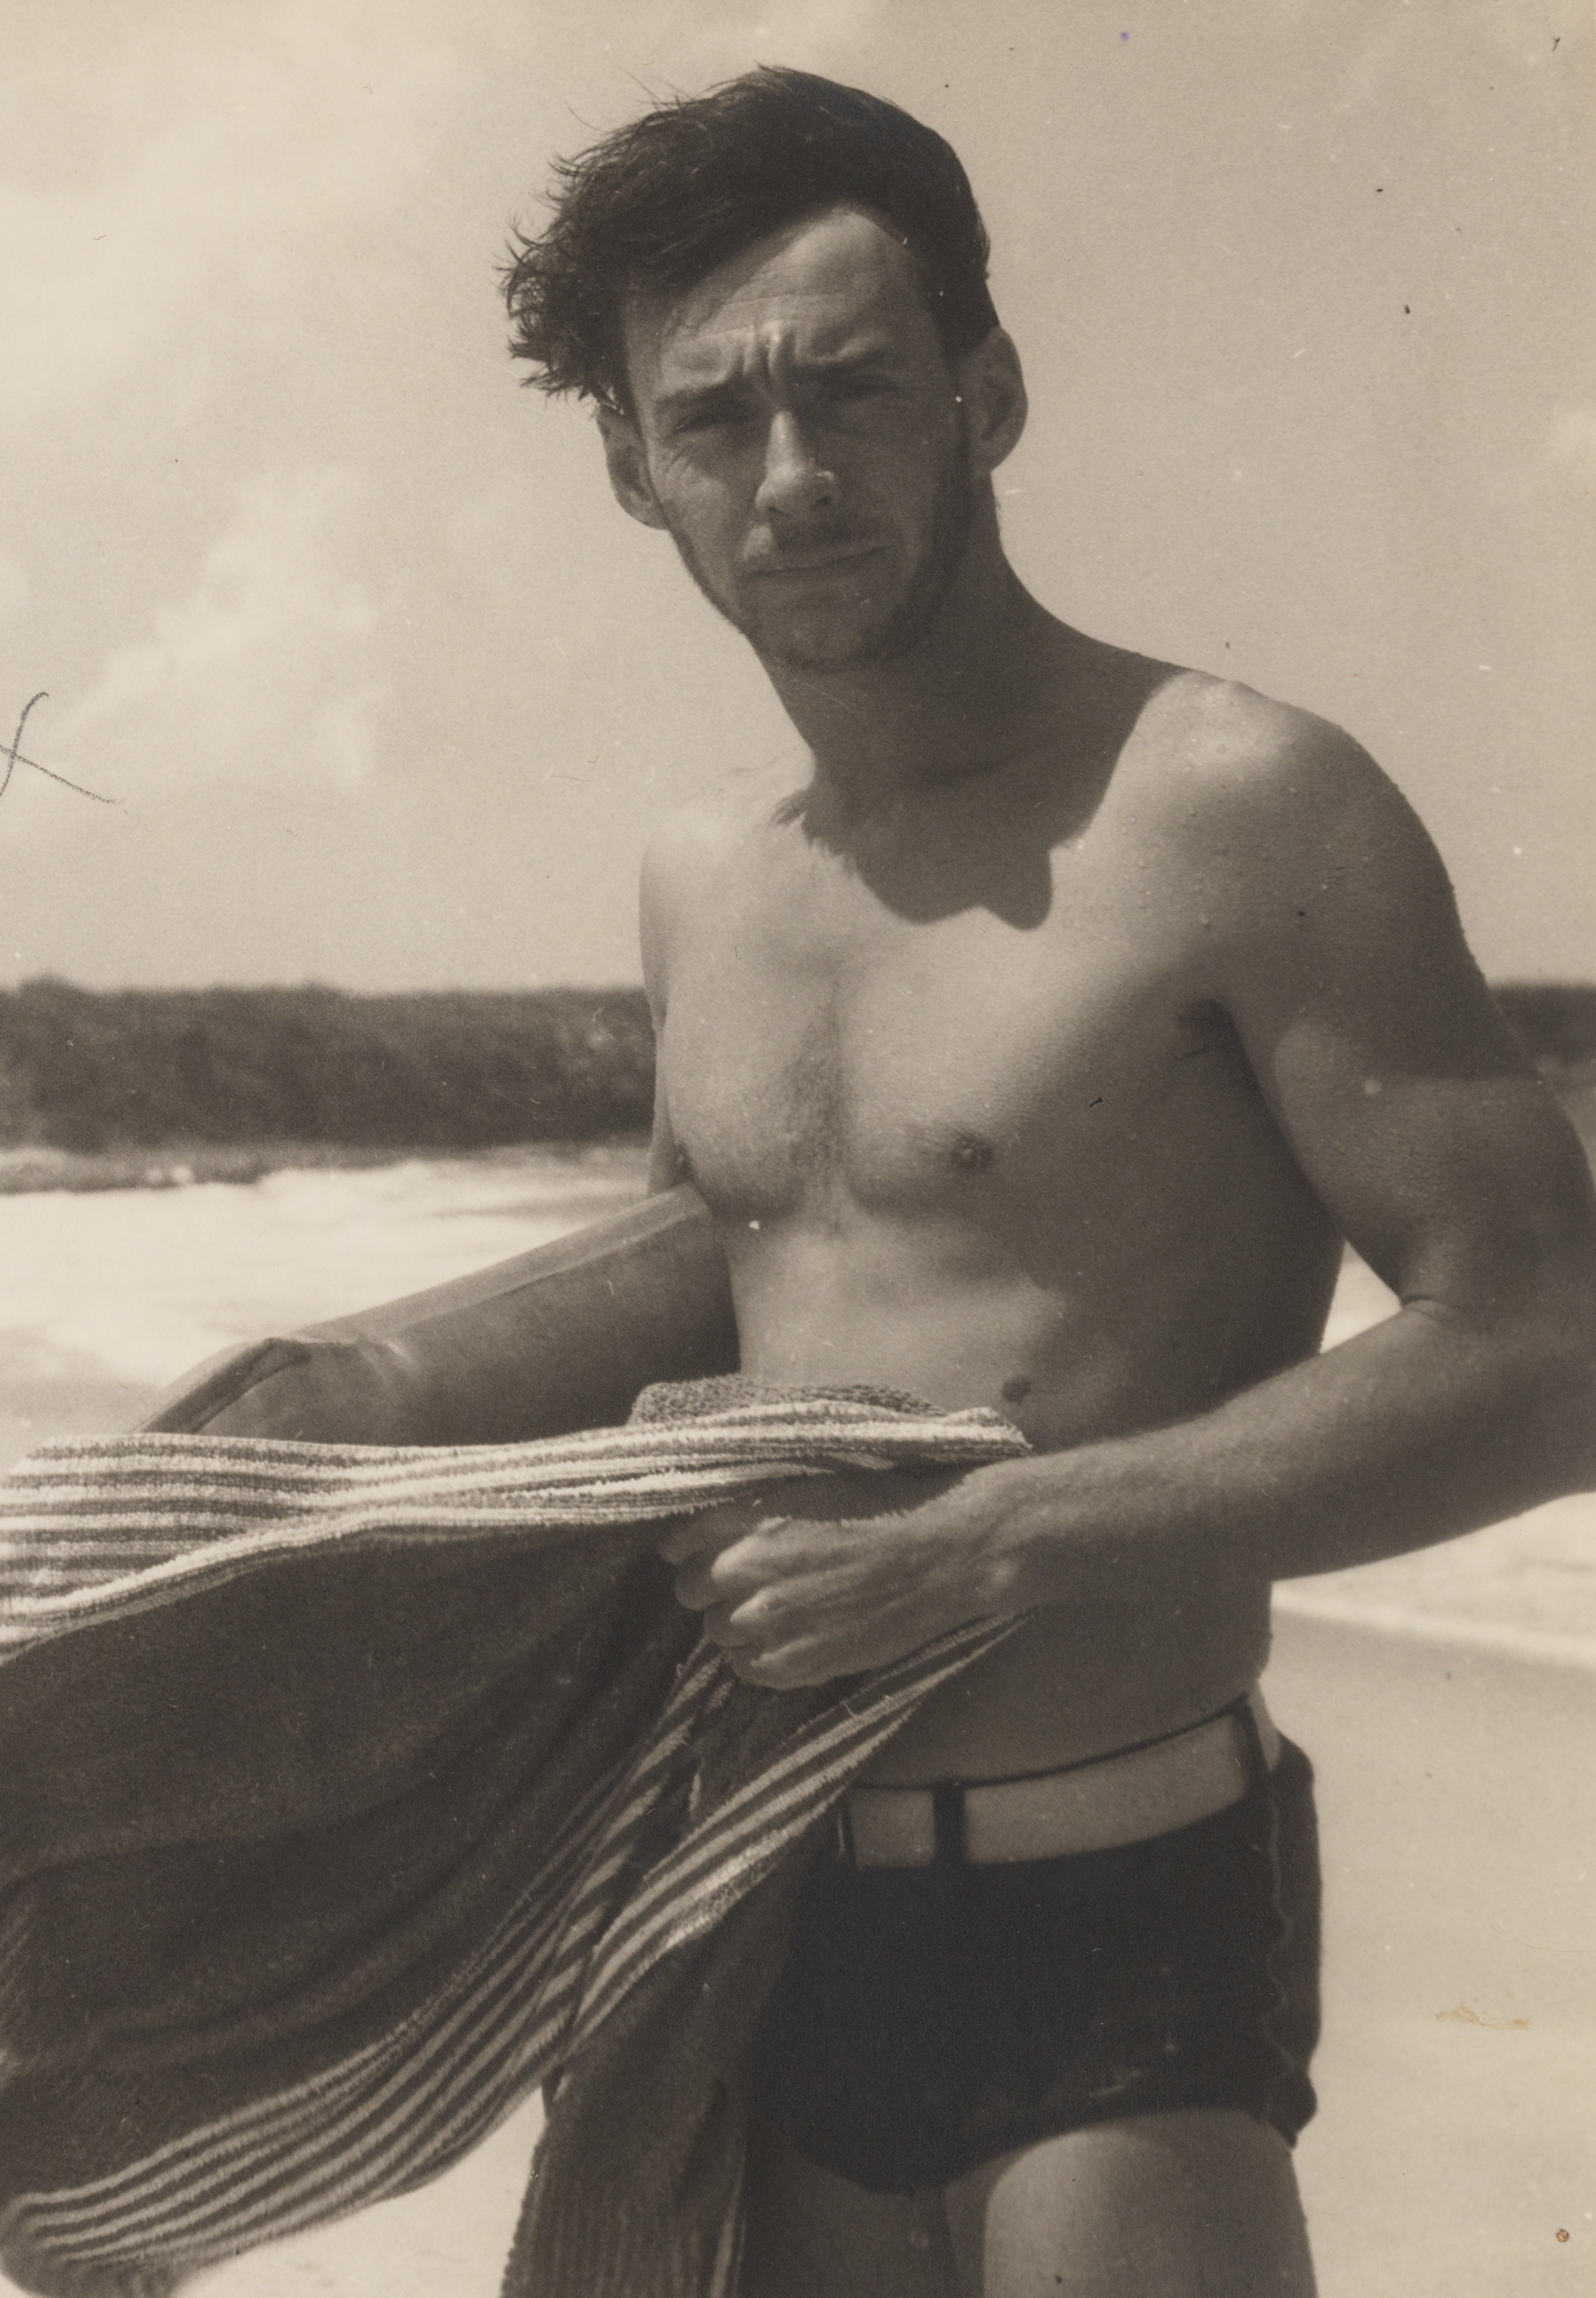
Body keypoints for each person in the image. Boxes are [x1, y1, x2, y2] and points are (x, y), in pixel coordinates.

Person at [473, 67, 1596, 2298]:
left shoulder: (1237, 805)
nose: (787, 477)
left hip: (1123, 1929)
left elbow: (1553, 1341)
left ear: (983, 392)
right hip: (755, 1931)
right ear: (629, 469)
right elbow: (765, 1328)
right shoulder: (698, 880)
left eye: (853, 389)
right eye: (709, 422)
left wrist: (990, 1547)